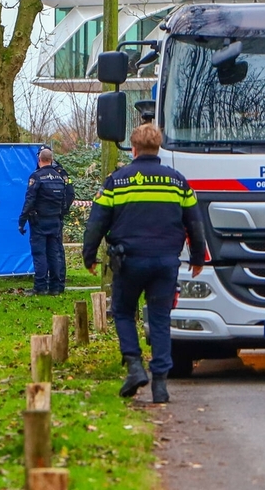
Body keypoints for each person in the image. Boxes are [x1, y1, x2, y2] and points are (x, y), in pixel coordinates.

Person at [82, 124, 206, 404]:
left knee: (123, 312)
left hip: (129, 261)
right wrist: (198, 257)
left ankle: (135, 366)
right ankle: (160, 384)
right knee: (160, 319)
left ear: (134, 149)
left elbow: (97, 221)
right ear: (158, 148)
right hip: (165, 261)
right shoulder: (178, 182)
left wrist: (89, 255)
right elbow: (194, 223)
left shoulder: (117, 181)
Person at [19, 148, 72, 295]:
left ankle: (40, 287)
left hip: (39, 221)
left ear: (39, 160)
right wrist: (60, 215)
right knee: (53, 254)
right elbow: (65, 199)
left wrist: (22, 220)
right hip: (55, 220)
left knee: (39, 254)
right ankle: (55, 287)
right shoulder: (59, 177)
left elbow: (30, 200)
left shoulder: (36, 176)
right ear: (52, 159)